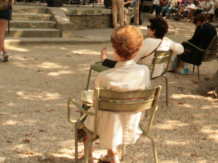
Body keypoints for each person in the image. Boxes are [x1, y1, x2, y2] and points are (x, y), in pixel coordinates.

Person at [79, 25, 150, 163]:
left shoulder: (105, 76)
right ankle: (111, 154)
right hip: (131, 121)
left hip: (106, 124)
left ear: (115, 49)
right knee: (111, 111)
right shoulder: (144, 71)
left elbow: (95, 103)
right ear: (138, 49)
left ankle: (89, 156)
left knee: (86, 108)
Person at [101, 18, 184, 75]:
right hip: (158, 72)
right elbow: (181, 50)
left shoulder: (148, 42)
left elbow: (130, 62)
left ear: (154, 30)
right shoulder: (167, 41)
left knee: (118, 64)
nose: (147, 28)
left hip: (143, 73)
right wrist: (171, 45)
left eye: (148, 27)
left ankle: (104, 59)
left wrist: (106, 59)